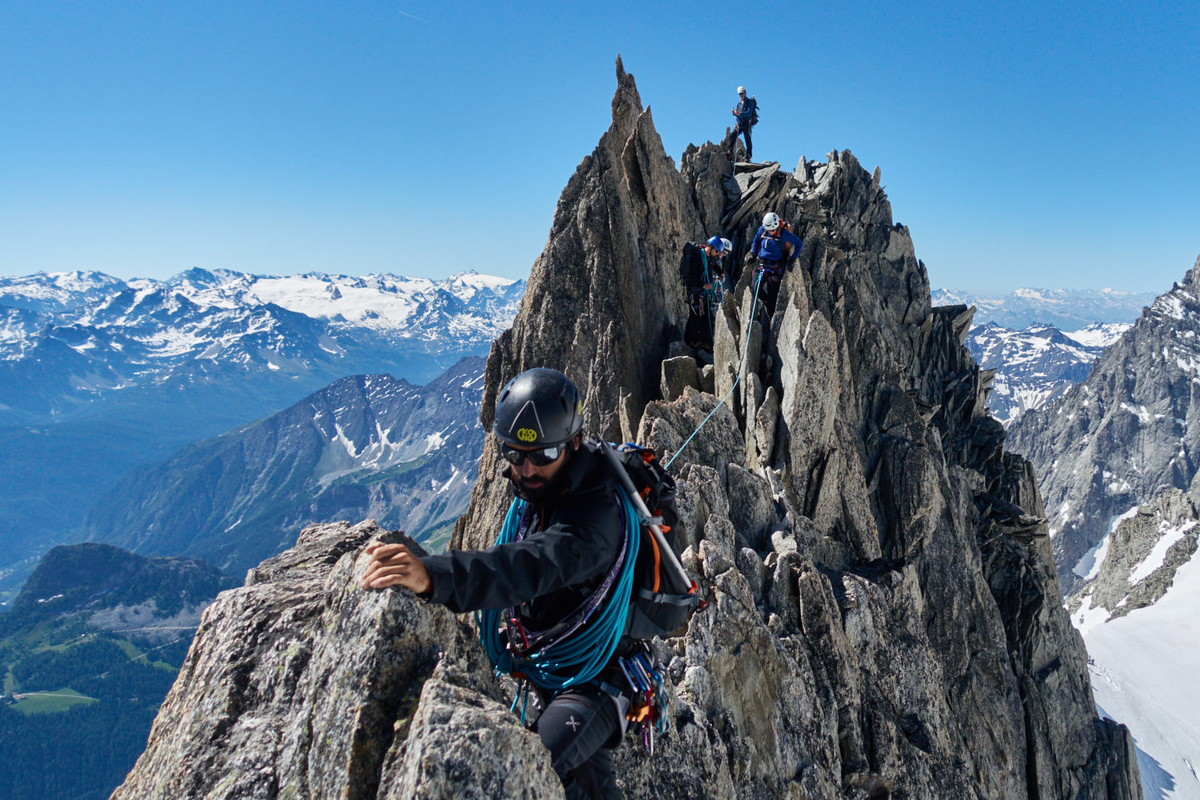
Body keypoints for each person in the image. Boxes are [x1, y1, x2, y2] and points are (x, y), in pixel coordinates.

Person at [361, 368, 634, 800]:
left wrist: (434, 575)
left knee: (527, 767)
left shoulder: (596, 520)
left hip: (596, 679)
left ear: (574, 444)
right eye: (513, 453)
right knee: (588, 786)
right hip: (556, 670)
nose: (525, 469)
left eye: (542, 456)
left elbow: (524, 566)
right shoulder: (546, 489)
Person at [750, 212, 804, 318]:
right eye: (769, 230)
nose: (770, 232)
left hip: (776, 268)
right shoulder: (763, 229)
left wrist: (793, 259)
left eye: (772, 230)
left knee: (773, 298)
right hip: (762, 264)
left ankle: (771, 318)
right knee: (755, 288)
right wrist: (753, 253)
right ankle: (765, 301)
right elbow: (756, 240)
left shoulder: (783, 233)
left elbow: (799, 243)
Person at [680, 235, 729, 351]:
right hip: (696, 291)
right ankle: (690, 341)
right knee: (695, 316)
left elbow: (713, 265)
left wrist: (720, 272)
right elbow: (690, 277)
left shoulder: (708, 257)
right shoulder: (697, 257)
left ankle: (705, 342)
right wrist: (703, 285)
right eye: (716, 251)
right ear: (711, 247)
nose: (717, 254)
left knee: (706, 316)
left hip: (703, 292)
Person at [727, 86, 756, 162]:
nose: (741, 95)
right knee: (732, 135)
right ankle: (730, 152)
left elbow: (749, 113)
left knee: (747, 139)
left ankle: (748, 156)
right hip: (739, 123)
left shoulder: (749, 102)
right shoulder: (739, 103)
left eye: (742, 93)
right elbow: (738, 114)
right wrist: (734, 113)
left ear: (745, 93)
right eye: (740, 94)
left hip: (747, 123)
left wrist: (739, 114)